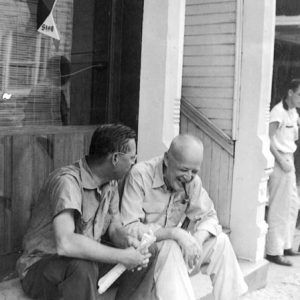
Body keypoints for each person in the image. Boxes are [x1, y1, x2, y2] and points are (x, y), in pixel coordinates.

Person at [16, 124, 157, 300]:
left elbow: (114, 227)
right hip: (42, 269)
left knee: (148, 250)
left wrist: (127, 242)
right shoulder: (67, 182)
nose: (134, 162)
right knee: (82, 266)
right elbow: (65, 243)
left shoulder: (110, 183)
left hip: (86, 266)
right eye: (132, 157)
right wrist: (122, 256)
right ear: (115, 158)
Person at [121, 134, 248, 300]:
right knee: (171, 245)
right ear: (167, 159)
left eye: (194, 171)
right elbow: (129, 228)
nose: (188, 177)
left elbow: (209, 217)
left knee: (221, 241)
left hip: (174, 257)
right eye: (183, 169)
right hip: (144, 258)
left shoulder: (192, 181)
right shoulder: (140, 175)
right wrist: (174, 233)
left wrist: (196, 240)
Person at [266, 79, 300, 266]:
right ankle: (274, 251)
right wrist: (280, 161)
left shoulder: (294, 113)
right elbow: (268, 140)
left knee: (293, 204)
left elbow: (294, 136)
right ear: (290, 93)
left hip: (290, 160)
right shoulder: (277, 112)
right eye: (299, 94)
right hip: (280, 162)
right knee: (279, 207)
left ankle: (286, 245)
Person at [24, 55, 70, 126]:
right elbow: (64, 122)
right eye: (67, 75)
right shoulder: (57, 93)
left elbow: (27, 116)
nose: (68, 79)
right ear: (59, 73)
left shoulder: (35, 89)